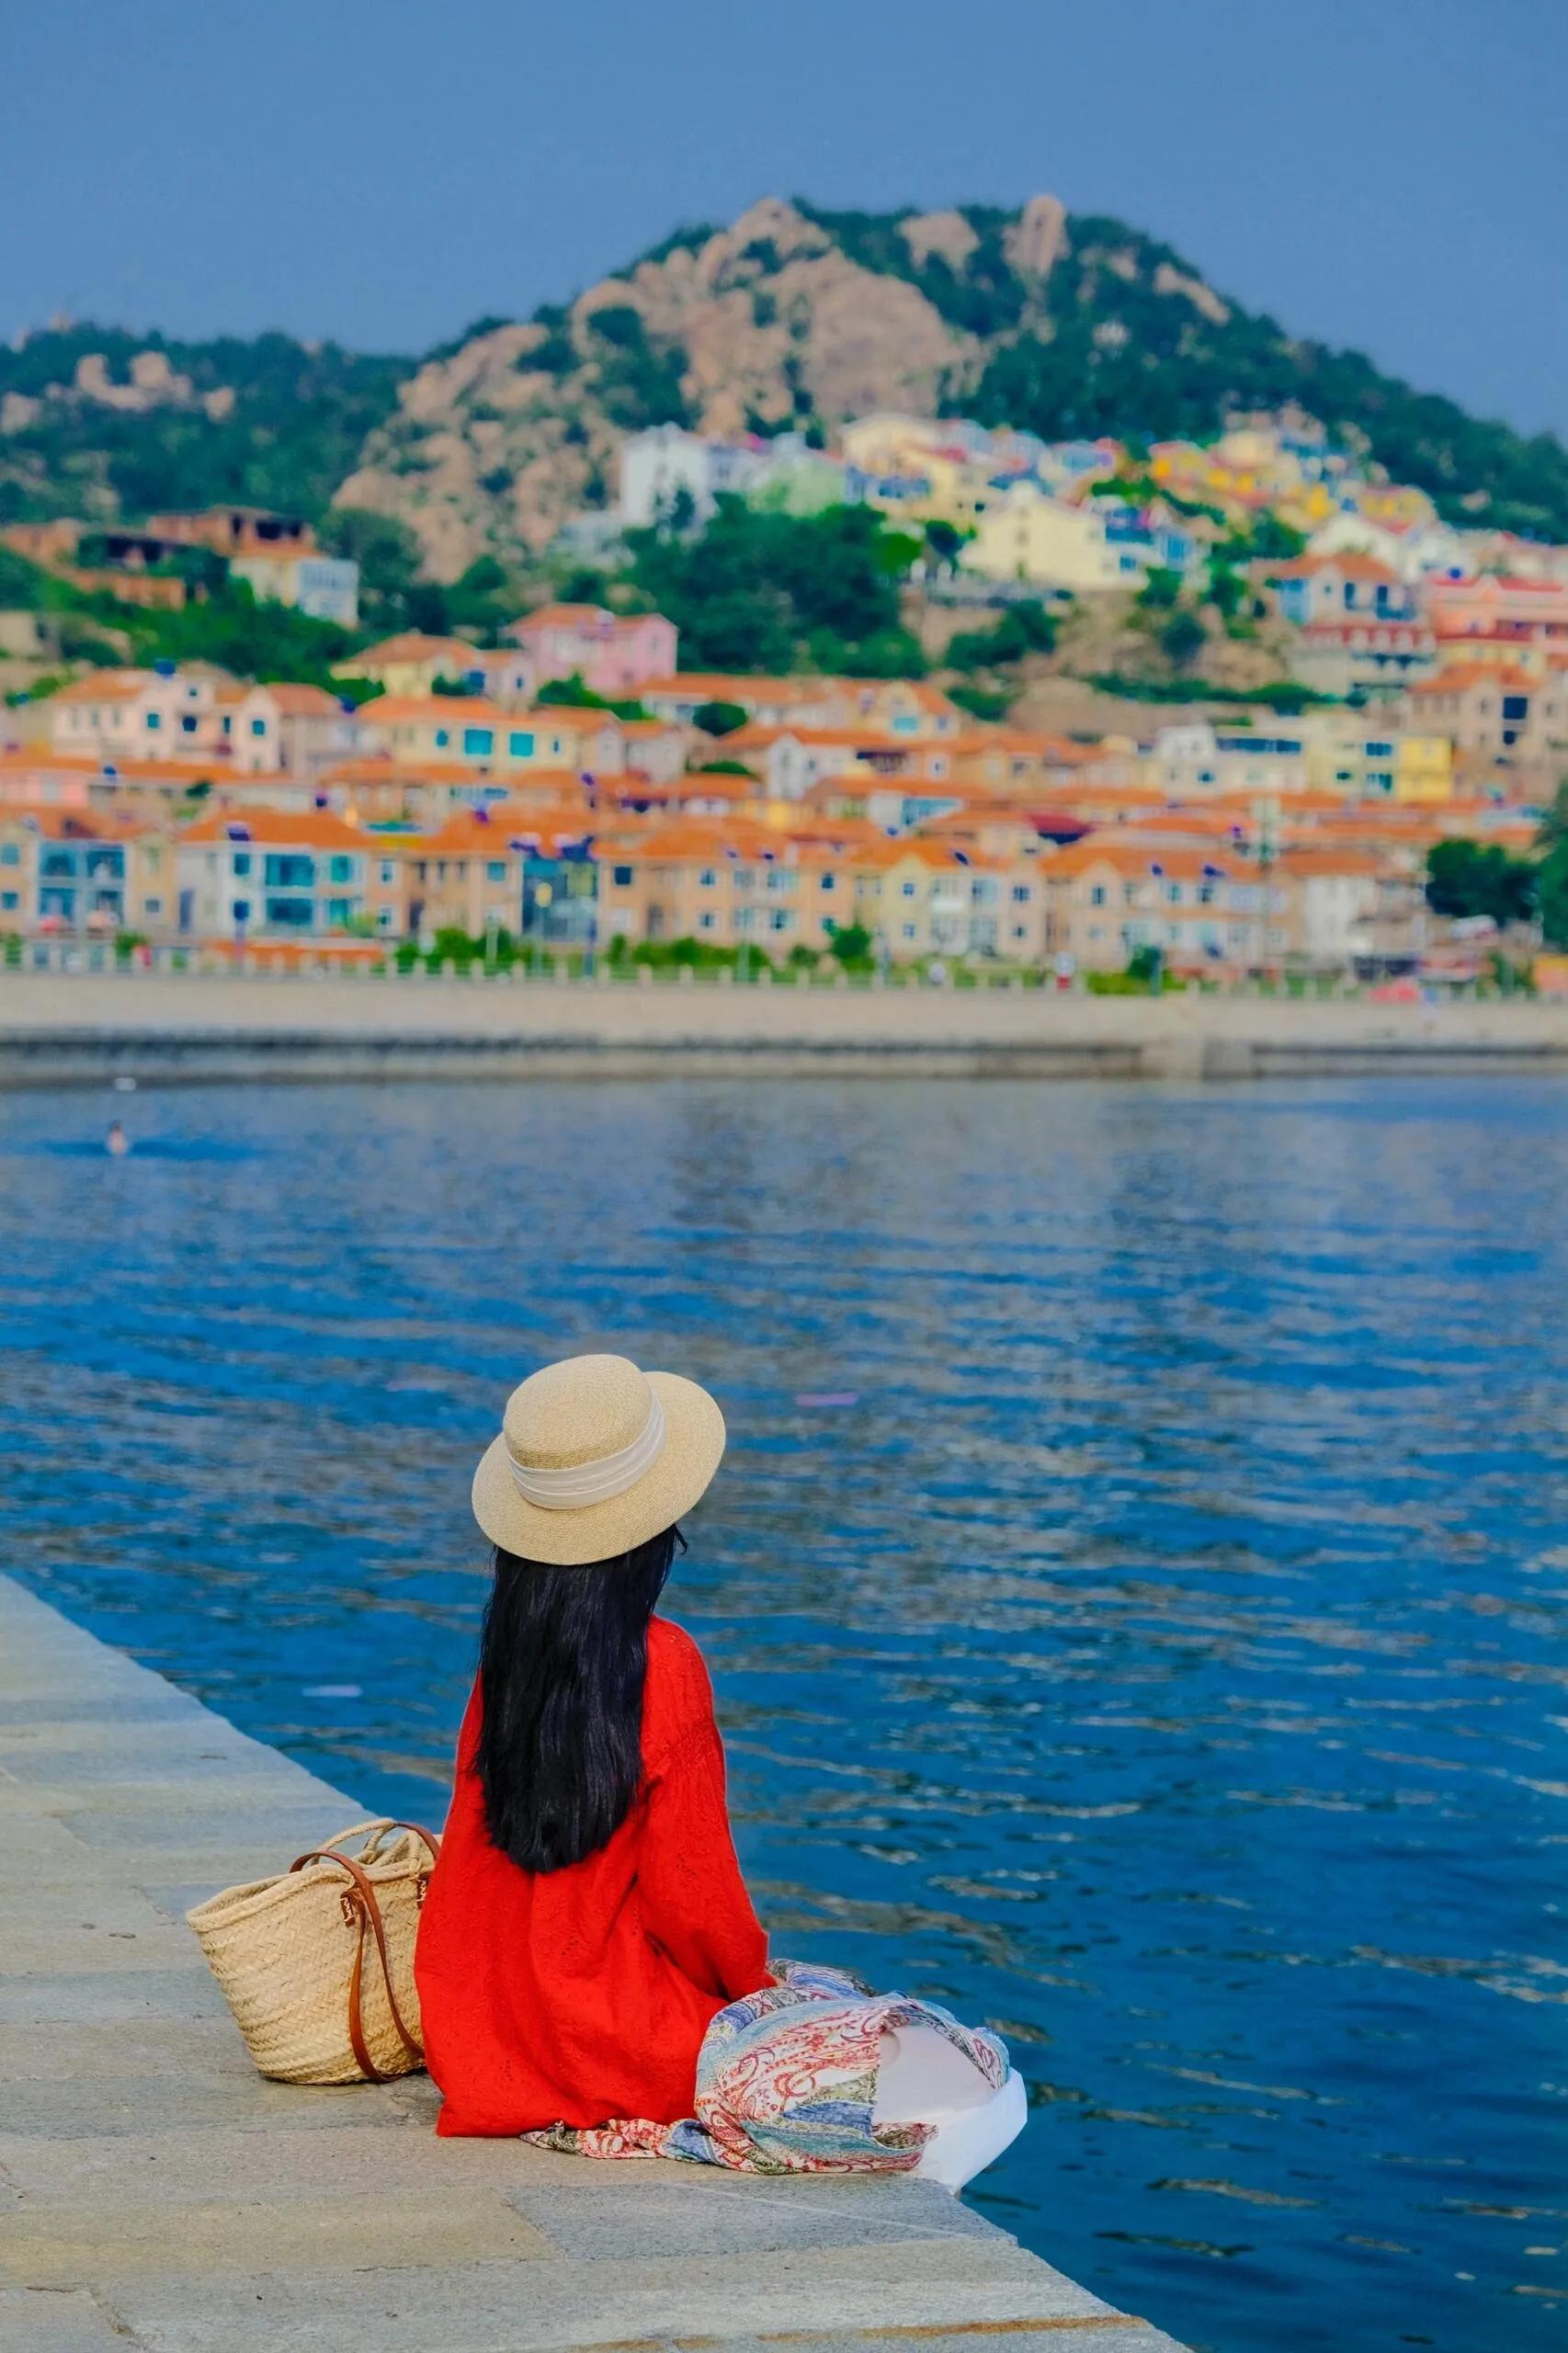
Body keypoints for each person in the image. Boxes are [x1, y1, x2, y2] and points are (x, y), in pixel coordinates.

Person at [415, 1351, 1025, 2187]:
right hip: (616, 2039)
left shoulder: (505, 1663)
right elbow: (694, 1900)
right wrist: (752, 1996)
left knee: (852, 2024)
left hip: (485, 2035)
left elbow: (477, 1867)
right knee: (960, 2070)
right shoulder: (661, 1664)